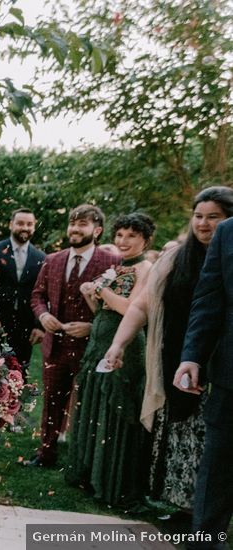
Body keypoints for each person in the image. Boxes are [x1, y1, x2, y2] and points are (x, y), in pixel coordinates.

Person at [105, 187, 233, 512]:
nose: (203, 224)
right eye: (198, 216)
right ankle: (183, 510)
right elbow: (141, 306)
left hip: (221, 368)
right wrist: (118, 345)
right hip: (178, 363)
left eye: (213, 217)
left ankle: (205, 516)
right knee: (177, 440)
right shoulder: (175, 258)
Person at [65, 213, 155, 506]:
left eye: (131, 236)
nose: (123, 241)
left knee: (117, 407)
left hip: (126, 346)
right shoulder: (116, 267)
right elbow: (100, 310)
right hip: (99, 341)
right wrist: (90, 293)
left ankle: (115, 480)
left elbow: (131, 309)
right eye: (119, 235)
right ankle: (91, 474)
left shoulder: (146, 268)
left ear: (145, 239)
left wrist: (101, 289)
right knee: (95, 405)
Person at [25, 204, 119, 468]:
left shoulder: (112, 262)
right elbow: (37, 295)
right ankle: (46, 454)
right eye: (72, 223)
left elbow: (118, 307)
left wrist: (91, 326)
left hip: (91, 348)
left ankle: (84, 462)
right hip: (54, 345)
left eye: (83, 224)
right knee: (52, 401)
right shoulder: (53, 259)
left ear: (97, 230)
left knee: (89, 405)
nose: (75, 229)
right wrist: (43, 316)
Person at [175, 214, 233, 550]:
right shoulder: (227, 232)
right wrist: (191, 355)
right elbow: (209, 299)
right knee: (217, 475)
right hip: (229, 376)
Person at [0, 208, 46, 380]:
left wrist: (39, 325)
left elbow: (43, 293)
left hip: (25, 325)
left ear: (34, 227)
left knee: (19, 374)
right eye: (20, 223)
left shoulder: (41, 257)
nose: (25, 227)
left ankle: (16, 407)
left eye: (29, 224)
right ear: (11, 224)